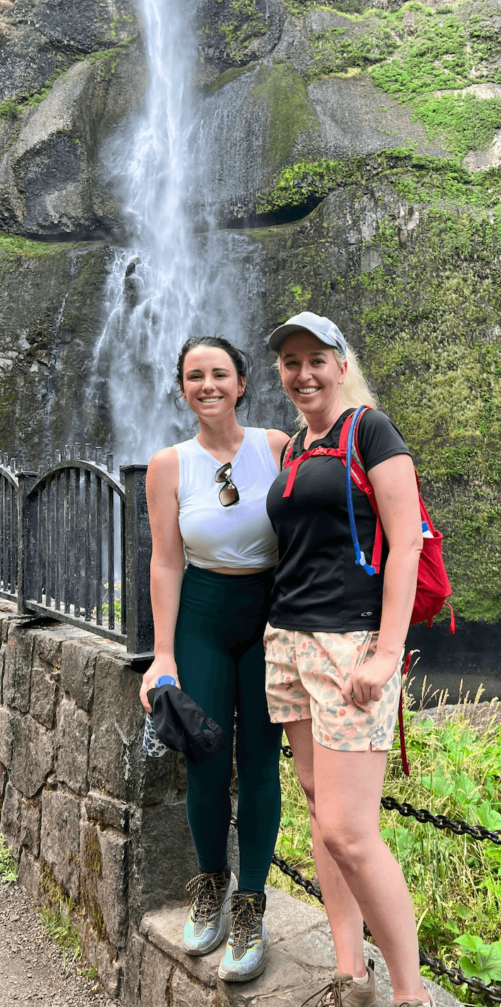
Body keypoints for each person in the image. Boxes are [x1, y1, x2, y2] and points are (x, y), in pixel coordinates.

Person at [263, 312, 433, 1007]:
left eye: (315, 359)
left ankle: (410, 993)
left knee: (349, 830)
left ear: (340, 364)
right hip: (289, 640)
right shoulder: (294, 448)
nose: (302, 373)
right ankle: (348, 970)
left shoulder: (371, 431)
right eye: (289, 361)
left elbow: (408, 540)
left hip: (349, 644)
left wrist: (386, 651)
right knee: (315, 804)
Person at [141, 336, 287, 982]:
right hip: (201, 614)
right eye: (194, 376)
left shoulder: (277, 448)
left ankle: (250, 903)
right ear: (183, 389)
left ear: (242, 382)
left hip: (267, 613)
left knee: (258, 761)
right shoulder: (167, 465)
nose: (208, 385)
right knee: (206, 754)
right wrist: (162, 654)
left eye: (219, 374)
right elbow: (166, 561)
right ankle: (210, 884)